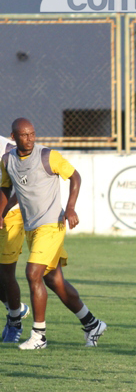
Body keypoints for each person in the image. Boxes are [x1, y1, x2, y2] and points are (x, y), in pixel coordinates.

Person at [0, 118, 106, 349]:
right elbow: (9, 189)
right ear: (14, 137)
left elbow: (75, 176)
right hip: (32, 228)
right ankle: (92, 323)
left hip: (52, 225)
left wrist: (70, 207)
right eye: (24, 135)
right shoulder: (8, 160)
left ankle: (39, 336)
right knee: (54, 281)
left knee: (32, 273)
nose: (30, 139)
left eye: (32, 134)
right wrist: (1, 212)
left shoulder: (48, 156)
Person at [0, 133, 30, 343]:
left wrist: (1, 214)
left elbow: (18, 187)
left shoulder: (7, 149)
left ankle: (14, 321)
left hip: (12, 214)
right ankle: (17, 308)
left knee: (6, 270)